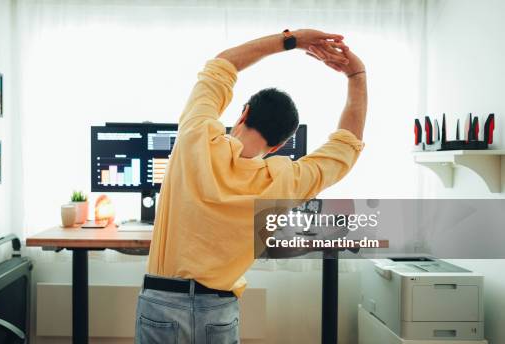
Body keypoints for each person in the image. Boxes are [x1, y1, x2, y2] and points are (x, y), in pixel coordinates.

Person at [135, 28, 367, 343]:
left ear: (244, 113)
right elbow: (346, 146)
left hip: (162, 303)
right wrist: (356, 75)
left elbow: (222, 66)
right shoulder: (285, 179)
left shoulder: (196, 137)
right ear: (279, 146)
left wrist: (292, 40)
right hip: (217, 311)